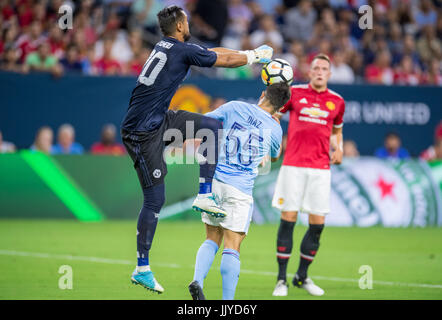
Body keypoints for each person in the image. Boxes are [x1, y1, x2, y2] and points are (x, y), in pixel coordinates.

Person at [120, 5, 273, 294]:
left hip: (158, 120)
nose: (189, 23)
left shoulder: (170, 46)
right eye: (186, 20)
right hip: (141, 132)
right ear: (179, 25)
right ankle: (142, 268)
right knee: (155, 199)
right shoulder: (180, 49)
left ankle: (205, 195)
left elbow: (213, 52)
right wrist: (254, 56)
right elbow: (223, 60)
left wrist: (249, 54)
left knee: (211, 127)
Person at [188, 82, 290, 300]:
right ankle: (227, 304)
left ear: (263, 94)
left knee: (211, 238)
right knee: (232, 246)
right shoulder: (274, 128)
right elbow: (274, 157)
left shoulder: (235, 106)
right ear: (282, 108)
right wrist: (274, 122)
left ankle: (198, 279)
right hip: (240, 189)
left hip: (214, 181)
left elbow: (207, 122)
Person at [271, 54, 346, 297]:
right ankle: (281, 280)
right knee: (288, 218)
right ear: (310, 71)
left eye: (324, 68)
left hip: (320, 169)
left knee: (317, 225)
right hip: (293, 165)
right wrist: (273, 143)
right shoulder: (295, 93)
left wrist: (339, 148)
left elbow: (336, 131)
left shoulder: (337, 101)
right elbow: (274, 116)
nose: (320, 71)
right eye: (316, 68)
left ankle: (301, 276)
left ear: (329, 74)